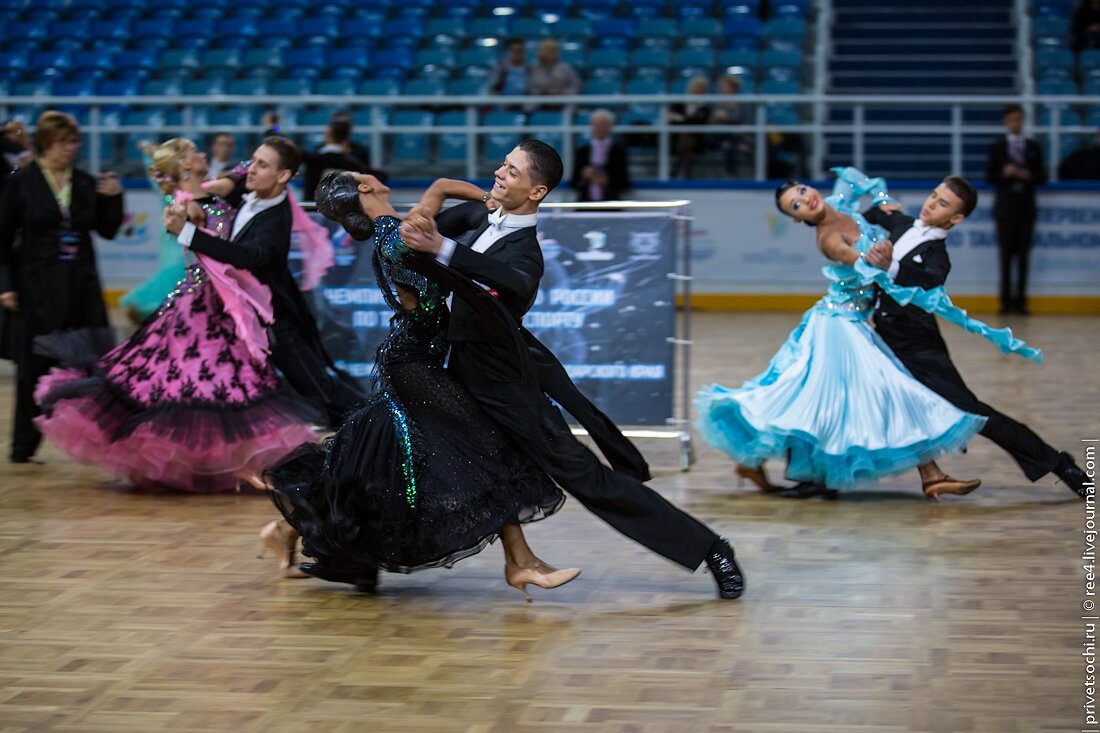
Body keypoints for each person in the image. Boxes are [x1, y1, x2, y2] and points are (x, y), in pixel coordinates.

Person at [399, 141, 745, 600]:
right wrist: (421, 217)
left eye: (513, 172)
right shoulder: (485, 217)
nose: (500, 174)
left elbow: (510, 280)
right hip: (455, 370)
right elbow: (426, 223)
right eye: (503, 165)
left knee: (585, 475)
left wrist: (440, 245)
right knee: (403, 449)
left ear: (537, 191)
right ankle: (348, 556)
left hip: (503, 384)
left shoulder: (525, 253)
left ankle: (711, 549)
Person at [264, 171, 579, 597]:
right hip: (413, 362)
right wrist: (493, 201)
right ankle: (520, 561)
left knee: (367, 461)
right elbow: (442, 186)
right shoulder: (396, 233)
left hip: (420, 356)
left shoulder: (395, 227)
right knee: (484, 445)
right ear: (364, 189)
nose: (371, 174)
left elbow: (441, 191)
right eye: (363, 175)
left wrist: (490, 204)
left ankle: (287, 528)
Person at [696, 168, 1041, 500]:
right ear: (797, 220)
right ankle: (927, 475)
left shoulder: (842, 206)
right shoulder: (829, 239)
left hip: (857, 321)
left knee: (843, 399)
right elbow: (865, 265)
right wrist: (883, 259)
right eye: (795, 206)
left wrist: (882, 198)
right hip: (839, 326)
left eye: (801, 191)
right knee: (873, 393)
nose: (804, 200)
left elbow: (856, 178)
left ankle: (925, 476)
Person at [33, 138, 318, 492]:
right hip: (201, 302)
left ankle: (214, 462)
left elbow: (233, 178)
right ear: (184, 167)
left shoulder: (209, 193)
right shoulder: (188, 204)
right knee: (200, 381)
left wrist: (243, 170)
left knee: (216, 382)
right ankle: (201, 463)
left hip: (217, 302)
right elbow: (203, 227)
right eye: (194, 153)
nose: (202, 154)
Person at [863, 175, 1090, 498]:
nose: (931, 203)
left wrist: (892, 267)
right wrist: (884, 199)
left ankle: (1057, 463)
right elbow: (872, 212)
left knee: (972, 413)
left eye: (943, 203)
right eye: (933, 195)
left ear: (956, 219)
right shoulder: (904, 224)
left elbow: (928, 281)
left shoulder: (938, 255)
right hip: (880, 336)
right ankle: (820, 478)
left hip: (916, 345)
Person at [163, 136, 365, 428]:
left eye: (262, 165)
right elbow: (231, 181)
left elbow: (247, 256)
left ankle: (379, 423)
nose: (250, 169)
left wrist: (189, 234)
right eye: (253, 160)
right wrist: (199, 196)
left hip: (274, 318)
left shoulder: (274, 221)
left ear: (283, 176)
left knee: (316, 386)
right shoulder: (251, 190)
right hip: (246, 315)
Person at [0, 110, 124, 464]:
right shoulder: (20, 183)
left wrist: (113, 197)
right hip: (35, 287)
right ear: (46, 143)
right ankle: (23, 448)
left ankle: (99, 444)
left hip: (80, 285)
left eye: (75, 142)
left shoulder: (84, 182)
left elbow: (108, 229)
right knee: (32, 369)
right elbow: (2, 239)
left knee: (91, 366)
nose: (71, 148)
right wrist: (5, 286)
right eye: (63, 142)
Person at [985, 103, 1046, 315]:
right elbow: (989, 176)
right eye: (1012, 119)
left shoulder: (1032, 146)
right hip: (1005, 208)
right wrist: (1005, 173)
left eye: (1019, 119)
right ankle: (1005, 301)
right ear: (1006, 122)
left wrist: (1028, 176)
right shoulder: (998, 147)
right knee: (1005, 255)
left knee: (1023, 256)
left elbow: (1042, 176)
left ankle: (1021, 301)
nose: (1015, 123)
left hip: (1026, 207)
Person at [570, 109, 630, 202]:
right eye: (596, 125)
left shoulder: (618, 151)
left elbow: (624, 181)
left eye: (602, 125)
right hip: (585, 204)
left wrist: (608, 181)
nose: (599, 128)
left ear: (609, 127)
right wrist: (584, 176)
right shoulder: (583, 151)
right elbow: (574, 182)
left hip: (610, 204)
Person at [668, 76, 711, 179]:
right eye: (697, 87)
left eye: (702, 88)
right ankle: (687, 174)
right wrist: (686, 120)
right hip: (677, 135)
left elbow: (699, 123)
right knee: (684, 139)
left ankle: (675, 169)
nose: (699, 90)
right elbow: (671, 118)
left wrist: (682, 119)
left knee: (687, 139)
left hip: (697, 137)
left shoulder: (704, 107)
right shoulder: (680, 102)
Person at [710, 75, 751, 178]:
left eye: (725, 86)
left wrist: (742, 129)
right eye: (721, 86)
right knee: (725, 137)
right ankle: (736, 144)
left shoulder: (742, 103)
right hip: (720, 135)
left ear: (733, 88)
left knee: (729, 147)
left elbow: (747, 122)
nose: (722, 89)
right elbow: (710, 124)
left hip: (738, 134)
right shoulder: (716, 103)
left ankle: (732, 176)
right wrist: (715, 117)